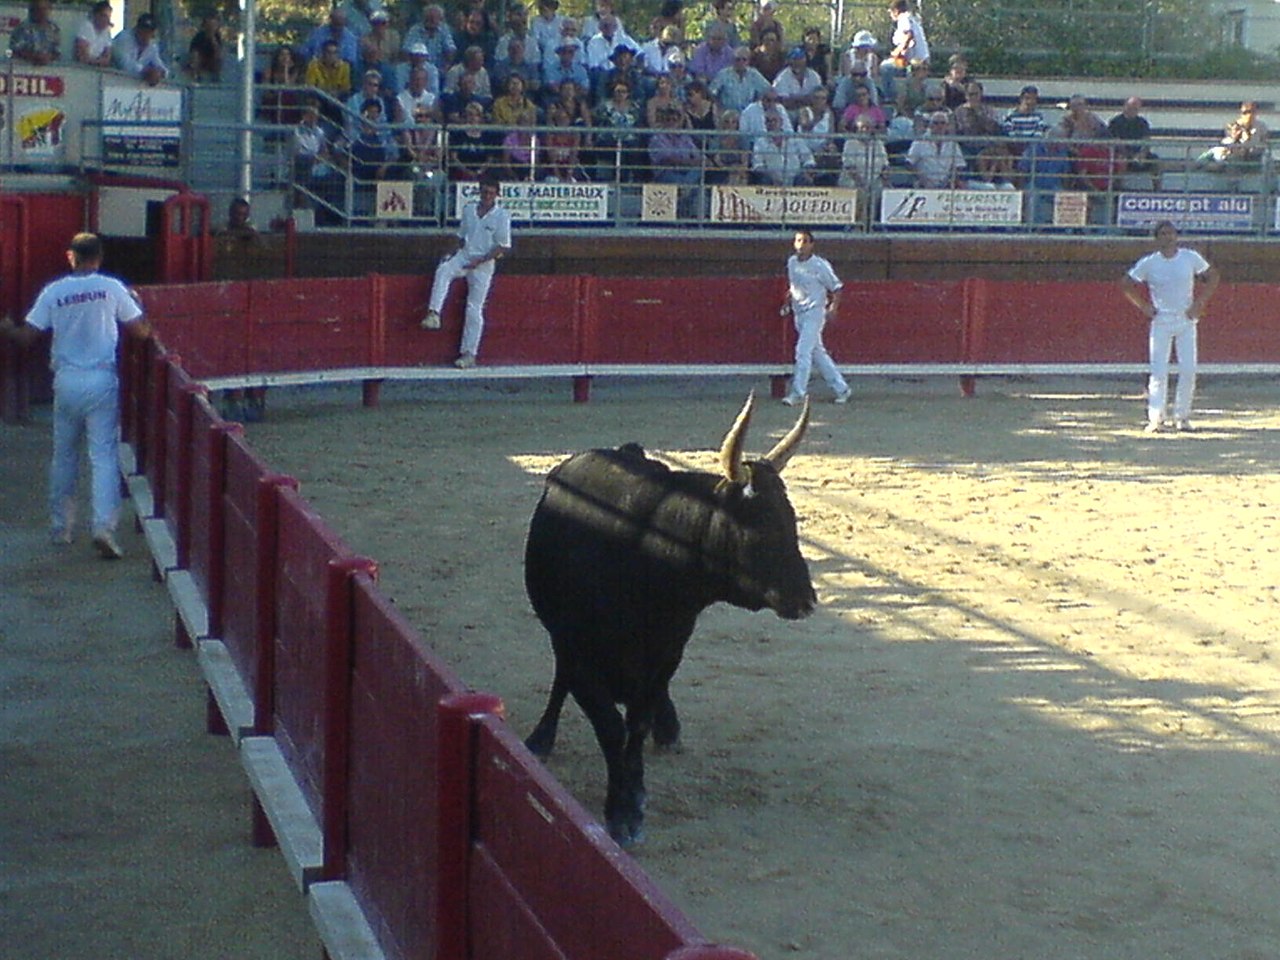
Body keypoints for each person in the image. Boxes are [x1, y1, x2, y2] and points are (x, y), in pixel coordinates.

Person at [0, 233, 150, 558]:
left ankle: (61, 528)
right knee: (103, 456)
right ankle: (102, 528)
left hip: (66, 381)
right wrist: (139, 306)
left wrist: (6, 327)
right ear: (100, 257)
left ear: (72, 257)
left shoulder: (55, 291)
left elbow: (27, 337)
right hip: (101, 379)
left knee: (64, 455)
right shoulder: (111, 287)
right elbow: (140, 331)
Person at [1121, 221, 1220, 433]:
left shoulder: (1189, 257)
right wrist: (1145, 307)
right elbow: (1126, 284)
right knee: (1158, 371)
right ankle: (1156, 419)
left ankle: (1182, 417)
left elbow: (1213, 276)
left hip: (1186, 318)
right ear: (1156, 238)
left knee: (1188, 369)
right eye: (1163, 234)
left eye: (1171, 233)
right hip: (1162, 320)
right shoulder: (1149, 263)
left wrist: (1199, 302)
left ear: (1176, 236)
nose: (1168, 237)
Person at [420, 175, 513, 369]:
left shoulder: (502, 215)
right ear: (480, 191)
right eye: (485, 192)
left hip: (484, 263)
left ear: (497, 194)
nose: (487, 195)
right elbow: (461, 236)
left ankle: (469, 353)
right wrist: (453, 253)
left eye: (491, 193)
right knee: (444, 269)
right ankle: (433, 313)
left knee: (474, 308)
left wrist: (481, 259)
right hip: (465, 255)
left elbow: (502, 246)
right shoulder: (469, 210)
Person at [779, 229, 850, 406]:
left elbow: (836, 287)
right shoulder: (792, 262)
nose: (801, 245)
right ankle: (842, 388)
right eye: (798, 241)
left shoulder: (820, 265)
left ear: (811, 245)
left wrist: (833, 307)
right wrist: (787, 302)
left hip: (815, 313)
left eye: (804, 241)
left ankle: (798, 393)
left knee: (802, 352)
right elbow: (793, 286)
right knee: (818, 354)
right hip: (799, 313)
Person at [906, 111, 965, 187]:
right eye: (936, 123)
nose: (939, 126)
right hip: (923, 185)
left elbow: (959, 165)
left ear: (947, 126)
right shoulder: (919, 142)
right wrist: (921, 179)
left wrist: (951, 180)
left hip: (947, 185)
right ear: (930, 125)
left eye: (943, 123)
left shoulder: (953, 144)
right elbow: (909, 163)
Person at [709, 45, 771, 113]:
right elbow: (711, 93)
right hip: (728, 115)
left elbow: (768, 90)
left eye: (744, 59)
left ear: (748, 61)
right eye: (737, 59)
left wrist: (758, 105)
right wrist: (718, 108)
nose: (741, 62)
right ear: (732, 60)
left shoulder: (754, 75)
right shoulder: (723, 74)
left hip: (749, 114)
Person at [113, 13, 170, 86]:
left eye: (149, 32)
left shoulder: (152, 46)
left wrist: (160, 72)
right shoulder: (123, 38)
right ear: (137, 28)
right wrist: (145, 71)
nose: (145, 35)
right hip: (114, 83)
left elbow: (160, 65)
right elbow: (124, 64)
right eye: (143, 30)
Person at [9, 0, 61, 65]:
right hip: (23, 69)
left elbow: (57, 52)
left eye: (44, 9)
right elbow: (13, 51)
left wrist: (48, 57)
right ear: (31, 10)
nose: (42, 12)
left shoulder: (53, 28)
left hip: (48, 70)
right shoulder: (22, 28)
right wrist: (34, 57)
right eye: (38, 9)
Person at [186, 14, 225, 82]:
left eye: (213, 26)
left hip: (212, 60)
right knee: (196, 57)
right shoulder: (199, 37)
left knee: (219, 58)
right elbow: (193, 51)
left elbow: (218, 50)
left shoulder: (217, 37)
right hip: (200, 60)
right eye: (209, 25)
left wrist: (212, 39)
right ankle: (196, 76)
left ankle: (217, 77)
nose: (211, 28)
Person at [75, 0, 114, 67]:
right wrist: (100, 61)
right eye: (103, 16)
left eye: (108, 17)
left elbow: (108, 58)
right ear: (96, 15)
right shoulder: (86, 28)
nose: (107, 20)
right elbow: (82, 58)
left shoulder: (106, 32)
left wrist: (98, 61)